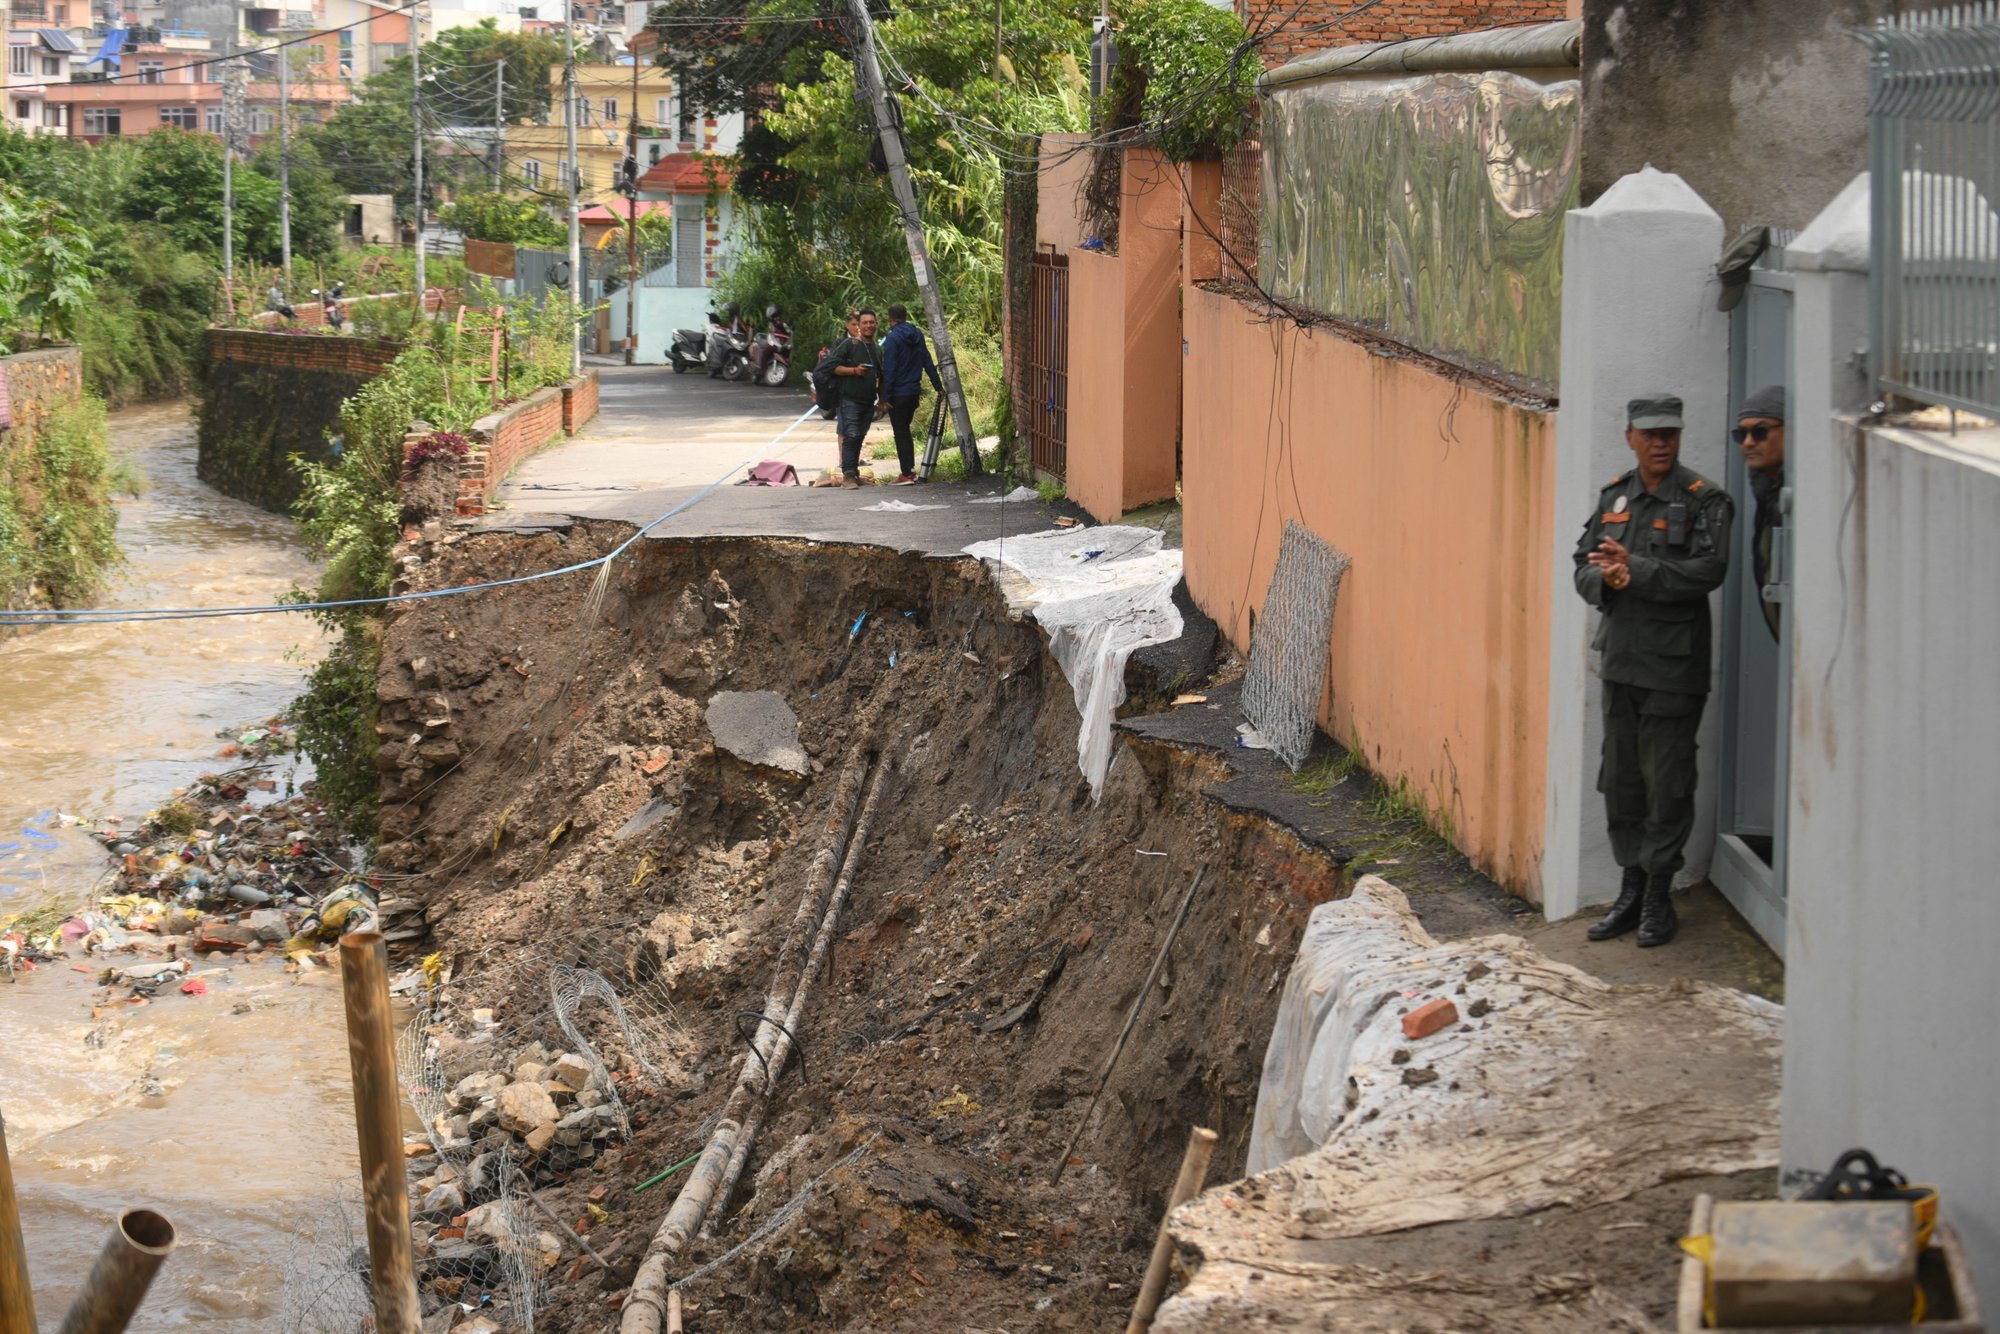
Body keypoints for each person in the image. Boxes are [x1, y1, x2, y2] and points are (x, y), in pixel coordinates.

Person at [1574, 394, 1735, 949]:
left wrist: (1635, 570)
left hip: (1673, 669)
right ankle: (1630, 889)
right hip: (1620, 661)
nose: (1661, 442)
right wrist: (1607, 583)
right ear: (1630, 438)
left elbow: (1708, 570)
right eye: (1650, 434)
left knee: (1667, 783)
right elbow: (1583, 565)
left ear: (1680, 436)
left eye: (1670, 433)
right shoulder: (1614, 496)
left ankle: (1659, 896)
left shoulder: (1704, 500)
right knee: (1621, 781)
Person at [1735, 384, 1787, 641]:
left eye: (1760, 431)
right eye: (1741, 434)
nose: (1748, 443)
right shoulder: (1767, 490)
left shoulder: (1800, 493)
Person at [877, 303, 942, 486]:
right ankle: (909, 471)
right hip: (913, 393)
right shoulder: (918, 335)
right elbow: (927, 361)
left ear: (891, 320)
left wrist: (885, 398)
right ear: (905, 317)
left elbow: (889, 370)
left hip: (898, 394)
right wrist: (938, 386)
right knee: (905, 431)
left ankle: (907, 473)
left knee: (901, 433)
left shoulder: (892, 339)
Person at [829, 308, 881, 489]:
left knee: (859, 436)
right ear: (858, 326)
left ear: (876, 325)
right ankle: (848, 475)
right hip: (848, 399)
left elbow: (881, 376)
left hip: (868, 401)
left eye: (871, 322)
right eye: (864, 322)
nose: (868, 325)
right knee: (850, 435)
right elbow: (832, 367)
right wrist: (854, 371)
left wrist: (882, 401)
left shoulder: (877, 349)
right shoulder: (849, 345)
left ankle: (854, 472)